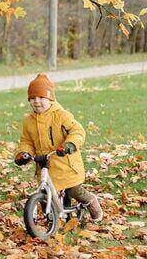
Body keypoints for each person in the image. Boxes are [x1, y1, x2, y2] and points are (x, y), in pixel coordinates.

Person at [13, 73, 102, 221]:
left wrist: (70, 144)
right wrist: (24, 153)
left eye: (42, 98)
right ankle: (52, 220)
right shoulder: (28, 121)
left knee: (74, 190)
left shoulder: (61, 115)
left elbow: (77, 131)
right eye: (33, 98)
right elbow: (27, 141)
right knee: (46, 194)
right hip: (45, 166)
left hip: (65, 163)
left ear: (50, 98)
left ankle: (91, 201)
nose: (37, 102)